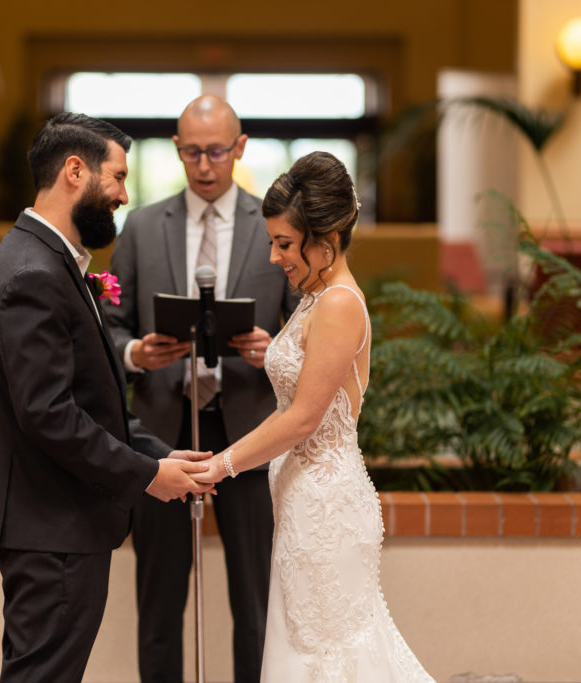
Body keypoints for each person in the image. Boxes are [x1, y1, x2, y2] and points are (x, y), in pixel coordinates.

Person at [0, 111, 213, 683]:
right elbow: (48, 415)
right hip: (53, 525)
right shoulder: (32, 272)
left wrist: (157, 453)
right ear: (75, 172)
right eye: (118, 177)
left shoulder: (48, 260)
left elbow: (90, 398)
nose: (124, 196)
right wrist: (146, 476)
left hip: (59, 523)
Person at [192, 151, 436, 682]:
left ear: (324, 241)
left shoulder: (339, 304)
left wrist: (221, 465)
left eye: (284, 244)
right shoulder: (314, 297)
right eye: (273, 243)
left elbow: (303, 418)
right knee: (310, 651)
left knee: (331, 658)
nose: (275, 257)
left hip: (327, 512)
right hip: (303, 505)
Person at [105, 95, 300, 683]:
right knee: (159, 600)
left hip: (250, 428)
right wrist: (136, 353)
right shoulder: (141, 225)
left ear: (239, 148)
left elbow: (306, 321)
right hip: (162, 429)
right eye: (192, 152)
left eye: (217, 151)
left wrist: (278, 349)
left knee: (256, 601)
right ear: (176, 150)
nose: (205, 164)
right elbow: (108, 324)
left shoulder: (275, 225)